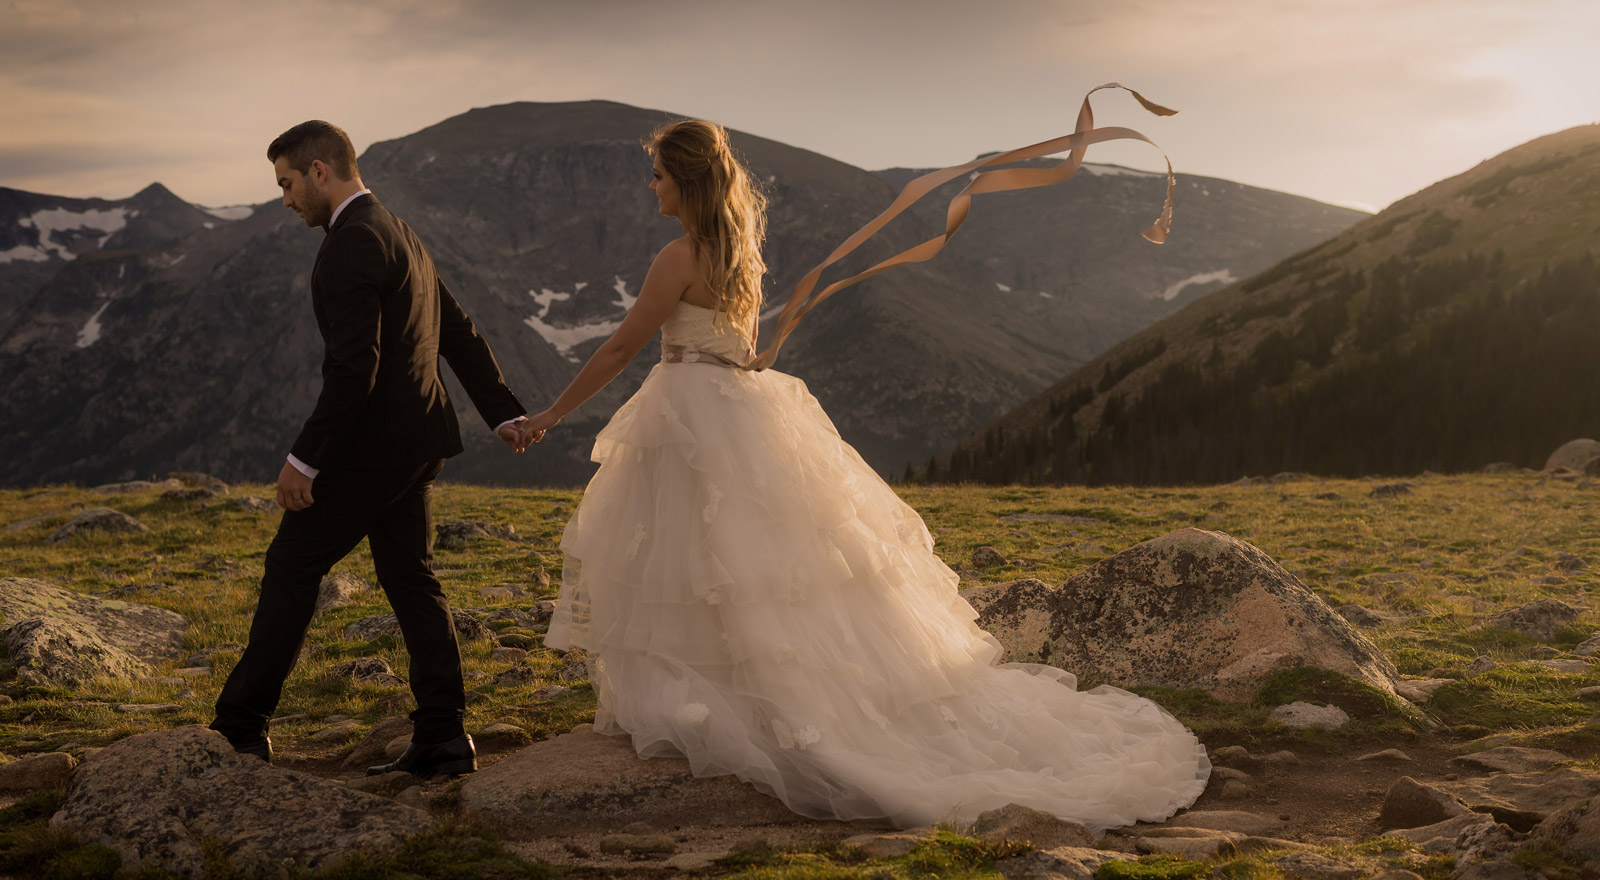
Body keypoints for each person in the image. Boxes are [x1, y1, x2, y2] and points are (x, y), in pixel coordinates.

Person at [520, 119, 1209, 829]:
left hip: (691, 413)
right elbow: (744, 347)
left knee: (699, 559)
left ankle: (723, 704)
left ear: (685, 179)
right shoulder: (740, 254)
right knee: (754, 563)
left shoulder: (678, 257)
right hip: (737, 409)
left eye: (659, 174)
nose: (652, 185)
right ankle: (769, 697)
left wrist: (546, 413)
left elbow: (622, 348)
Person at [209, 120, 533, 779]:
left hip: (377, 446)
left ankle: (240, 729)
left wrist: (305, 460)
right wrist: (502, 413)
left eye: (288, 183)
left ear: (320, 172)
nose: (285, 200)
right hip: (418, 442)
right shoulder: (399, 230)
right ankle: (443, 736)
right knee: (411, 578)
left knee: (292, 566)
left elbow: (354, 369)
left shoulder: (351, 242)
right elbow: (459, 331)